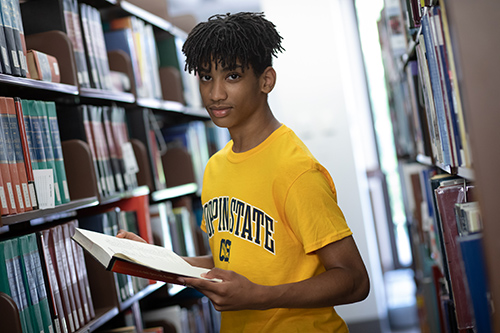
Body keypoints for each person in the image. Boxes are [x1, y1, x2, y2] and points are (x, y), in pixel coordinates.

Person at [118, 12, 369, 332]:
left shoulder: (295, 170)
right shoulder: (215, 167)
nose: (216, 93)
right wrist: (155, 260)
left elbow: (354, 280)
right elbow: (231, 263)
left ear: (266, 80)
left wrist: (260, 296)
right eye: (206, 77)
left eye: (232, 76)